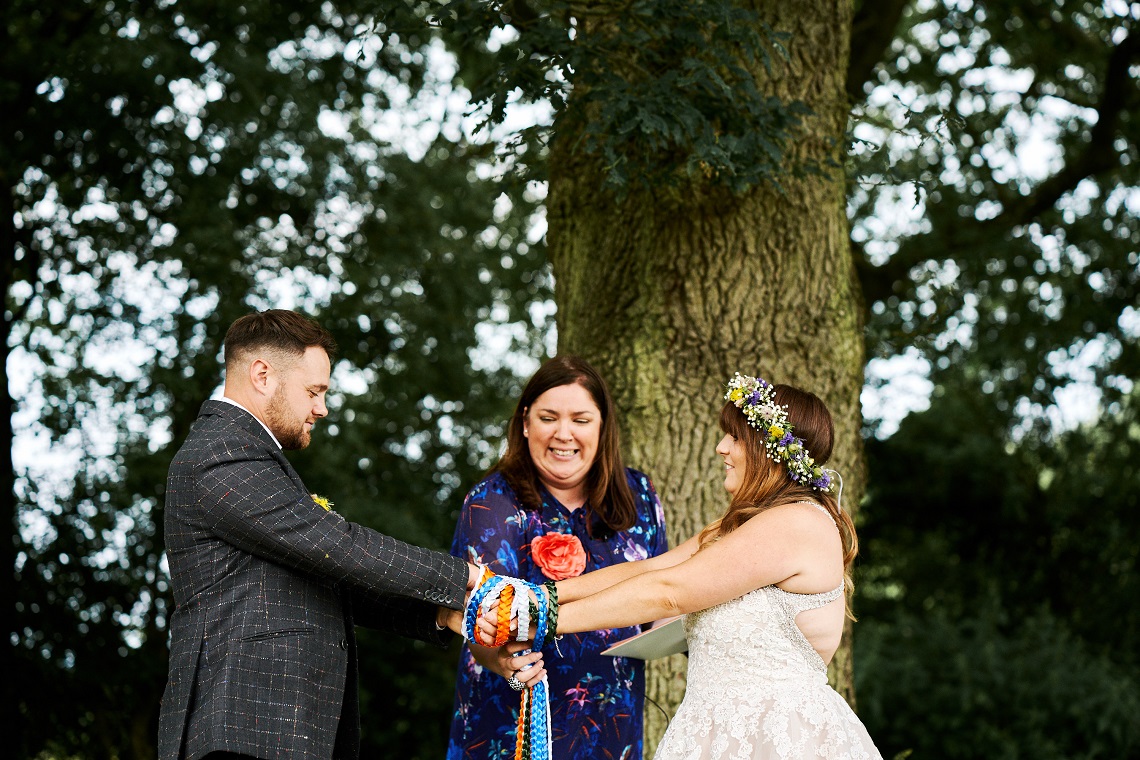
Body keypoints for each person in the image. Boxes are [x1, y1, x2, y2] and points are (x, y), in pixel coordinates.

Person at [501, 373, 881, 759]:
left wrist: (539, 620)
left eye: (734, 437)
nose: (720, 448)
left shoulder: (797, 523)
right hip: (710, 733)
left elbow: (670, 593)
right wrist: (532, 597)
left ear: (767, 447)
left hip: (779, 737)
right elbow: (650, 570)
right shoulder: (743, 525)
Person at [158, 309, 482, 760]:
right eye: (314, 391)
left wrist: (442, 615)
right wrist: (467, 578)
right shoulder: (220, 453)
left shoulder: (242, 454)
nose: (321, 408)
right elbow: (339, 545)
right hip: (242, 731)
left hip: (276, 734)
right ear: (262, 374)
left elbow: (320, 579)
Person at [446, 355, 669, 760]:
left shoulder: (640, 495)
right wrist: (500, 660)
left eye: (581, 420)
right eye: (549, 417)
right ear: (526, 422)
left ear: (602, 427)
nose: (563, 434)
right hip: (511, 728)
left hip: (613, 727)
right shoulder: (491, 502)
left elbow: (664, 595)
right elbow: (475, 615)